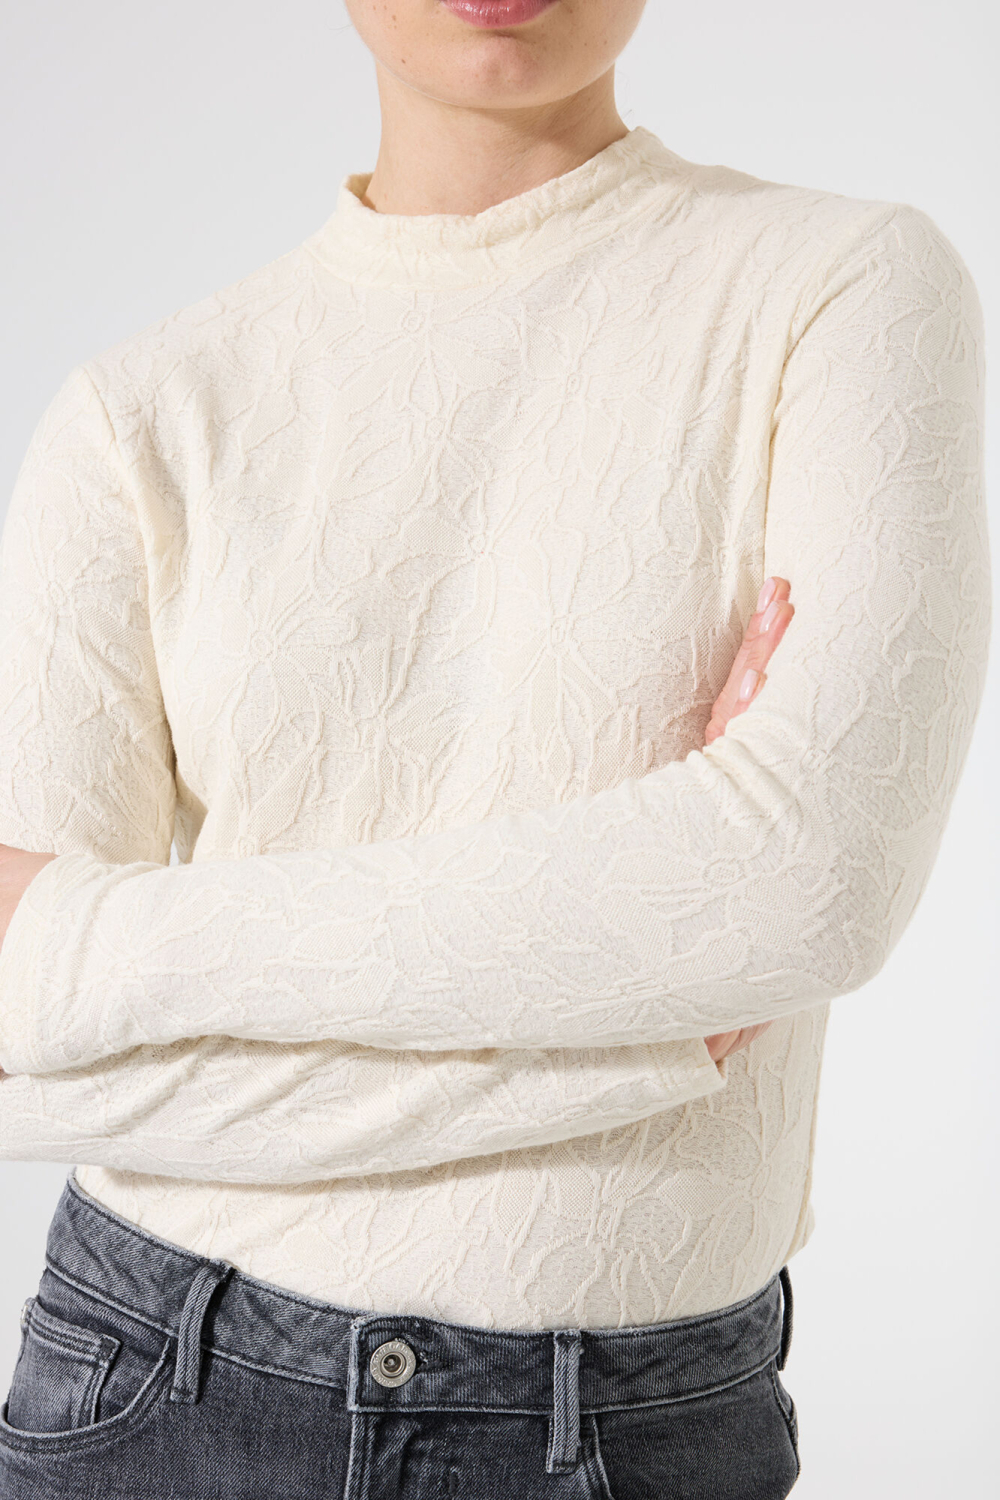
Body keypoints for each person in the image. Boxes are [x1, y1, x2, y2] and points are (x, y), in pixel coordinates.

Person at [0, 0, 988, 1495]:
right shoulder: (138, 416)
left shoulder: (843, 287)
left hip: (627, 1420)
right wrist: (656, 1027)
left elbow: (804, 886)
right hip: (157, 1382)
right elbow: (37, 1064)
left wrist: (87, 940)